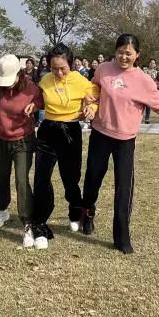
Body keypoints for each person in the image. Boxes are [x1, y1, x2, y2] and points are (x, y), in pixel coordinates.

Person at [82, 34, 159, 254]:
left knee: (124, 188)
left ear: (137, 55)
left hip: (125, 140)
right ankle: (88, 211)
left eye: (128, 53)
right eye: (120, 51)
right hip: (101, 134)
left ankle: (121, 238)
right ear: (115, 51)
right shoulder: (103, 69)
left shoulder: (143, 80)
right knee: (92, 179)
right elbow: (94, 90)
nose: (123, 56)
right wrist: (90, 106)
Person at [30, 43, 97, 250]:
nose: (58, 72)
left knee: (71, 178)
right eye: (54, 68)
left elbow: (94, 99)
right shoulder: (45, 79)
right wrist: (35, 104)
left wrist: (91, 108)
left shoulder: (81, 81)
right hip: (48, 131)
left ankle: (75, 209)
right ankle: (40, 221)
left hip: (70, 131)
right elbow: (40, 98)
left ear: (71, 64)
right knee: (41, 177)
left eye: (63, 68)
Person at [0, 54, 43, 248]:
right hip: (1, 139)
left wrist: (34, 105)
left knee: (21, 180)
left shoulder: (31, 88)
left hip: (23, 141)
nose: (8, 85)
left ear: (19, 75)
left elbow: (43, 101)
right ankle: (2, 210)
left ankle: (28, 223)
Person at [141, 58, 159, 124]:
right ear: (148, 63)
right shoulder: (144, 70)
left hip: (151, 90)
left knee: (148, 105)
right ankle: (139, 117)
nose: (152, 64)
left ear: (155, 65)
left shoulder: (156, 72)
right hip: (143, 89)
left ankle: (147, 119)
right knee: (141, 104)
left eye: (154, 63)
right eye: (151, 62)